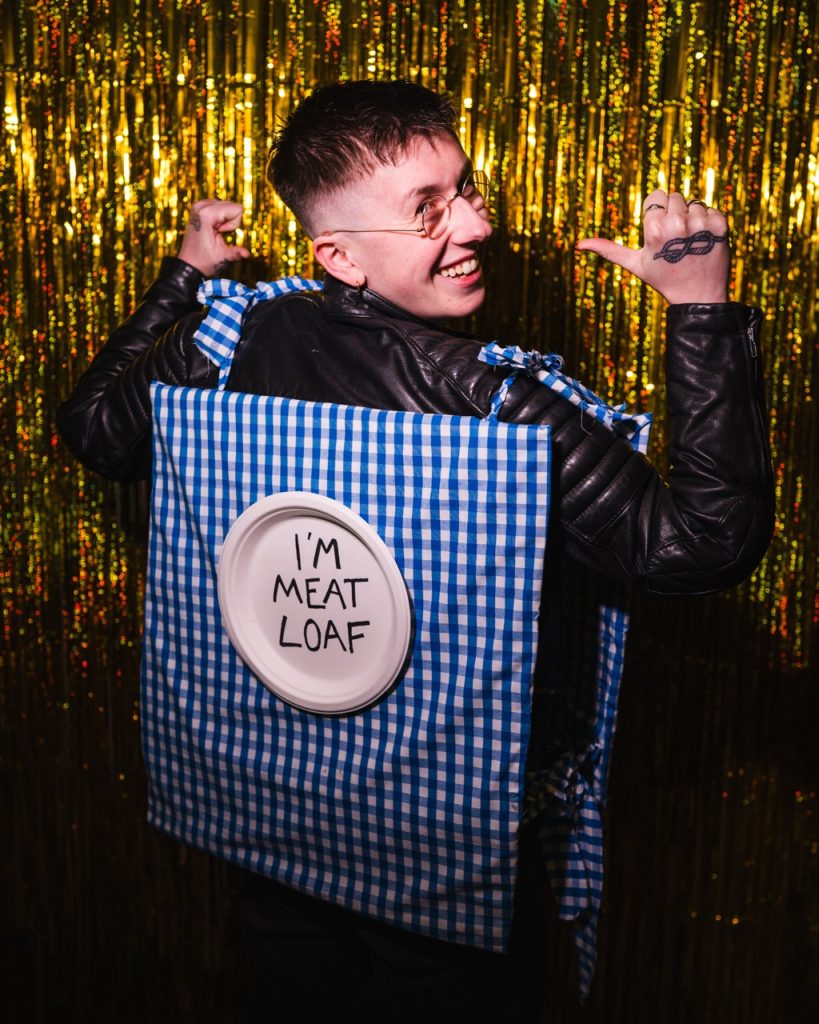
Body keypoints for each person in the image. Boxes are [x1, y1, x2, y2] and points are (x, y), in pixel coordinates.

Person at [57, 80, 774, 1020]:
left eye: (465, 189)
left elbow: (96, 430)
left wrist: (184, 276)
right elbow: (700, 546)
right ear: (339, 256)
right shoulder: (494, 403)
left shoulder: (228, 336)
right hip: (437, 851)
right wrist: (702, 308)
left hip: (269, 812)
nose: (476, 224)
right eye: (426, 210)